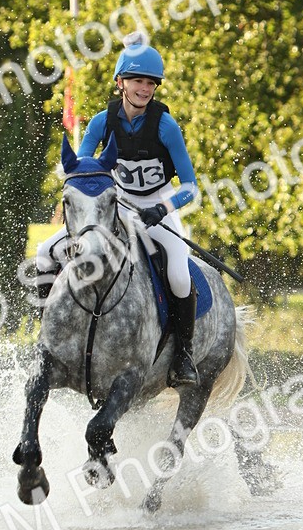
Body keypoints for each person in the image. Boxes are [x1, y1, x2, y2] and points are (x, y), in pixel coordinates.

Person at [35, 34, 200, 386]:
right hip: (114, 207)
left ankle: (183, 354)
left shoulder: (166, 126)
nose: (145, 88)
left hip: (158, 205)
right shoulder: (100, 122)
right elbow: (83, 169)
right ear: (120, 83)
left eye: (151, 82)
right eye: (138, 80)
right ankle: (47, 340)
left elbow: (190, 187)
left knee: (179, 274)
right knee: (43, 254)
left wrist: (162, 207)